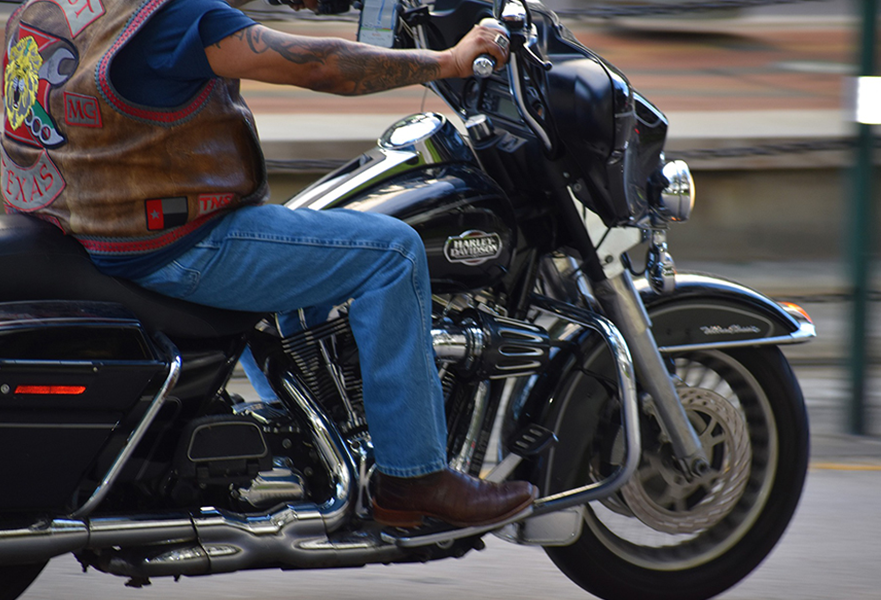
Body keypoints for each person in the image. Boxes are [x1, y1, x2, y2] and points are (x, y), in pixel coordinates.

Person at [1, 0, 536, 528]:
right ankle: (413, 477)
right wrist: (449, 60)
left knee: (306, 233)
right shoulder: (180, 17)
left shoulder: (52, 7)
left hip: (73, 217)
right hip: (167, 241)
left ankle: (306, 427)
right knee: (393, 252)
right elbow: (320, 65)